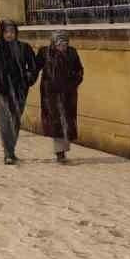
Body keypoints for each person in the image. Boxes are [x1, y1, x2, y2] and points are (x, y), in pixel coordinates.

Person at [0, 19, 41, 165]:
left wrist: (28, 78)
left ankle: (11, 150)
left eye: (12, 32)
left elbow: (33, 67)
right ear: (1, 33)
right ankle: (8, 153)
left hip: (19, 90)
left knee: (15, 119)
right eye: (6, 32)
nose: (9, 35)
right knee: (5, 120)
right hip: (1, 91)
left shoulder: (24, 48)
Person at [36, 31, 84, 164]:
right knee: (57, 121)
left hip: (68, 93)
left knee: (66, 121)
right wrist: (27, 78)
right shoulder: (46, 53)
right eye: (60, 44)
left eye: (65, 44)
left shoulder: (72, 53)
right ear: (54, 43)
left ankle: (62, 151)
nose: (63, 46)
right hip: (51, 94)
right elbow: (35, 67)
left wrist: (73, 83)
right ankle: (60, 153)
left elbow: (79, 70)